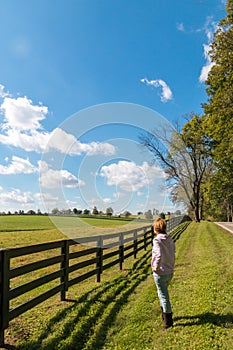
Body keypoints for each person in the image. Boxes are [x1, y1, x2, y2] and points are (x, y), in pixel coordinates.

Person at [151, 218, 175, 329]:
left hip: (160, 272)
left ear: (156, 229)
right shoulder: (170, 239)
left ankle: (168, 321)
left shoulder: (157, 240)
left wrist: (155, 267)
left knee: (164, 296)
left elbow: (159, 254)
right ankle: (164, 315)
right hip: (169, 271)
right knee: (162, 293)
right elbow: (173, 252)